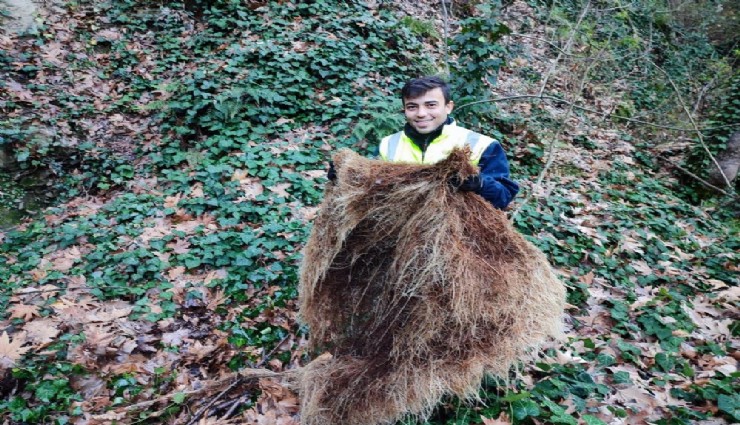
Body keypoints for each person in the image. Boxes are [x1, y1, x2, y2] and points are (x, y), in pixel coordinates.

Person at [330, 76, 519, 210]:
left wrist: (479, 184)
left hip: (459, 243)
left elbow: (503, 198)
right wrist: (345, 174)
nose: (421, 113)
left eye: (431, 105)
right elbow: (368, 188)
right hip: (396, 240)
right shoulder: (388, 144)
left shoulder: (481, 144)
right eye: (412, 107)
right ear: (404, 109)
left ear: (448, 106)